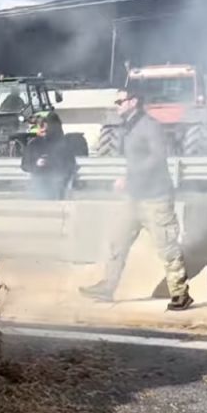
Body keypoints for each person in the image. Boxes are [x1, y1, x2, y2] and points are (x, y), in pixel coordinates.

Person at [80, 89, 193, 311]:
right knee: (117, 241)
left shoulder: (150, 126)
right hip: (134, 197)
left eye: (120, 101)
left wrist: (129, 178)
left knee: (167, 247)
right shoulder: (129, 127)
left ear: (133, 101)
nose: (117, 105)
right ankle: (107, 287)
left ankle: (180, 294)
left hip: (156, 199)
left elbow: (157, 158)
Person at [21, 112, 77, 200]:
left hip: (58, 186)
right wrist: (36, 164)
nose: (43, 129)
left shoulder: (64, 144)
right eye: (41, 125)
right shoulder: (33, 144)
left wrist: (53, 165)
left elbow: (70, 165)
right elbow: (25, 165)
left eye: (46, 125)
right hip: (39, 187)